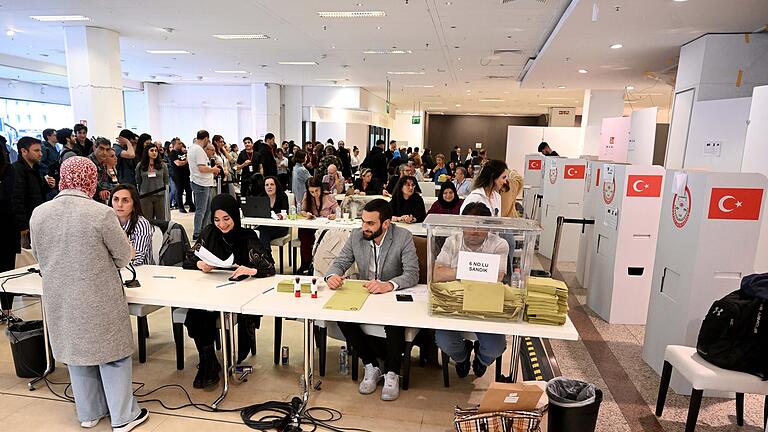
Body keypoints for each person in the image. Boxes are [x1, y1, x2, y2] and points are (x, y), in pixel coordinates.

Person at [29, 156, 150, 431]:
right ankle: (123, 416)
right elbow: (123, 256)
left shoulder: (40, 213)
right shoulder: (100, 213)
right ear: (91, 179)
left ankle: (89, 413)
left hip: (59, 294)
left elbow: (38, 254)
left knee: (77, 353)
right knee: (112, 355)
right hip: (98, 295)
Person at [324, 199, 419, 401]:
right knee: (341, 314)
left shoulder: (403, 237)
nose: (364, 228)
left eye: (370, 223)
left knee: (394, 320)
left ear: (386, 224)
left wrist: (388, 284)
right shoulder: (357, 236)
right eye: (363, 222)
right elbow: (341, 262)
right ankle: (371, 365)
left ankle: (392, 372)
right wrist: (331, 276)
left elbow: (412, 274)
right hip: (365, 293)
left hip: (390, 294)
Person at [183, 194, 275, 386]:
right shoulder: (209, 233)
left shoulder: (246, 237)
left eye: (226, 219)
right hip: (212, 291)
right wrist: (201, 264)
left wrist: (251, 269)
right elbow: (189, 258)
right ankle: (208, 360)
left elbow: (269, 267)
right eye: (217, 219)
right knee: (196, 314)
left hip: (239, 295)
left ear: (234, 216)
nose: (222, 225)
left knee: (205, 313)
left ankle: (210, 363)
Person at [433, 202, 509, 378]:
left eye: (480, 227)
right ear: (462, 225)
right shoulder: (453, 241)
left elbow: (498, 276)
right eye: (469, 226)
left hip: (486, 307)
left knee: (495, 347)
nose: (474, 231)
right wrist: (475, 271)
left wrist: (455, 273)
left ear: (488, 228)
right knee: (444, 341)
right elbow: (437, 274)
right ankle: (462, 357)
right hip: (453, 305)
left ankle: (481, 360)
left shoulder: (499, 244)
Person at [12, 137, 53, 249]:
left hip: (37, 219)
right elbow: (16, 199)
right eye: (36, 151)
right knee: (26, 256)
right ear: (24, 151)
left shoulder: (37, 168)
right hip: (26, 224)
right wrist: (22, 225)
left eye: (40, 150)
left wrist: (48, 186)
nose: (40, 154)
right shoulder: (16, 170)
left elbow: (37, 193)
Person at [297, 176, 338, 274]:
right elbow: (302, 211)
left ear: (321, 188)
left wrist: (334, 215)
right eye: (312, 192)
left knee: (314, 237)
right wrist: (306, 214)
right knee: (303, 232)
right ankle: (306, 264)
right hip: (312, 227)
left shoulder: (329, 197)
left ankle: (315, 264)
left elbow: (339, 212)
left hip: (326, 228)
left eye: (317, 190)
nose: (315, 194)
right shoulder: (307, 196)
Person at [0, 142, 21, 323]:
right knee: (7, 271)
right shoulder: (10, 170)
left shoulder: (9, 170)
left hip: (7, 228)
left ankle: (7, 312)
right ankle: (7, 312)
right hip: (7, 228)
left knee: (7, 272)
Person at [110, 184, 154, 266]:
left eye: (125, 200)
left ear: (134, 204)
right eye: (116, 199)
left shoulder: (141, 224)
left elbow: (137, 258)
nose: (119, 205)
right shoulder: (107, 222)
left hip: (140, 272)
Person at [189, 131, 220, 239]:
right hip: (201, 183)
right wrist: (213, 169)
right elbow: (202, 168)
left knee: (205, 210)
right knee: (201, 210)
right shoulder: (198, 150)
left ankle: (203, 231)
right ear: (206, 138)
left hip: (202, 182)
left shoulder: (193, 148)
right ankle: (197, 233)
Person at [135, 144, 169, 221]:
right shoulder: (140, 165)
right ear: (147, 152)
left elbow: (166, 180)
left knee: (161, 219)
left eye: (156, 151)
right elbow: (138, 180)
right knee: (147, 220)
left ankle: (161, 233)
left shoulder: (162, 165)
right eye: (152, 150)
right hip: (145, 196)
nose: (154, 153)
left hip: (159, 196)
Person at [256, 176, 290, 250]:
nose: (269, 187)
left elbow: (286, 212)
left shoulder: (283, 196)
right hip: (265, 226)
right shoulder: (261, 197)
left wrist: (281, 215)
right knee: (252, 233)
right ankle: (259, 257)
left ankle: (266, 257)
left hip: (280, 227)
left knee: (264, 232)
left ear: (276, 186)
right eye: (267, 185)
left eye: (272, 184)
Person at [170, 140, 194, 213]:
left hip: (186, 174)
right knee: (179, 191)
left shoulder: (183, 152)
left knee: (189, 190)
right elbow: (178, 163)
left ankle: (191, 204)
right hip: (178, 175)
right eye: (179, 144)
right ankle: (181, 206)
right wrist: (187, 160)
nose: (181, 145)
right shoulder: (173, 153)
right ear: (174, 145)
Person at [89, 138, 113, 204]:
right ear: (94, 148)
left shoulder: (103, 164)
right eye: (101, 149)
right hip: (90, 200)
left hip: (101, 200)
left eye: (107, 150)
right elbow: (94, 184)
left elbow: (104, 182)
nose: (105, 153)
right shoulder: (88, 163)